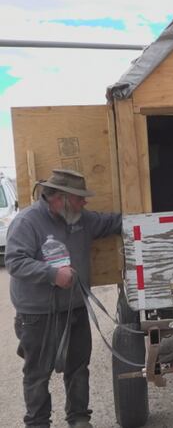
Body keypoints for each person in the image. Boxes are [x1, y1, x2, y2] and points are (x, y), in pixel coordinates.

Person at [5, 169, 121, 428]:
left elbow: (113, 222)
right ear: (61, 198)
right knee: (37, 374)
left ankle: (79, 419)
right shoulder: (27, 222)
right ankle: (37, 424)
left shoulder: (82, 219)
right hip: (37, 313)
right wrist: (52, 274)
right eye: (80, 198)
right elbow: (14, 261)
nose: (85, 202)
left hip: (75, 307)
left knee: (78, 367)